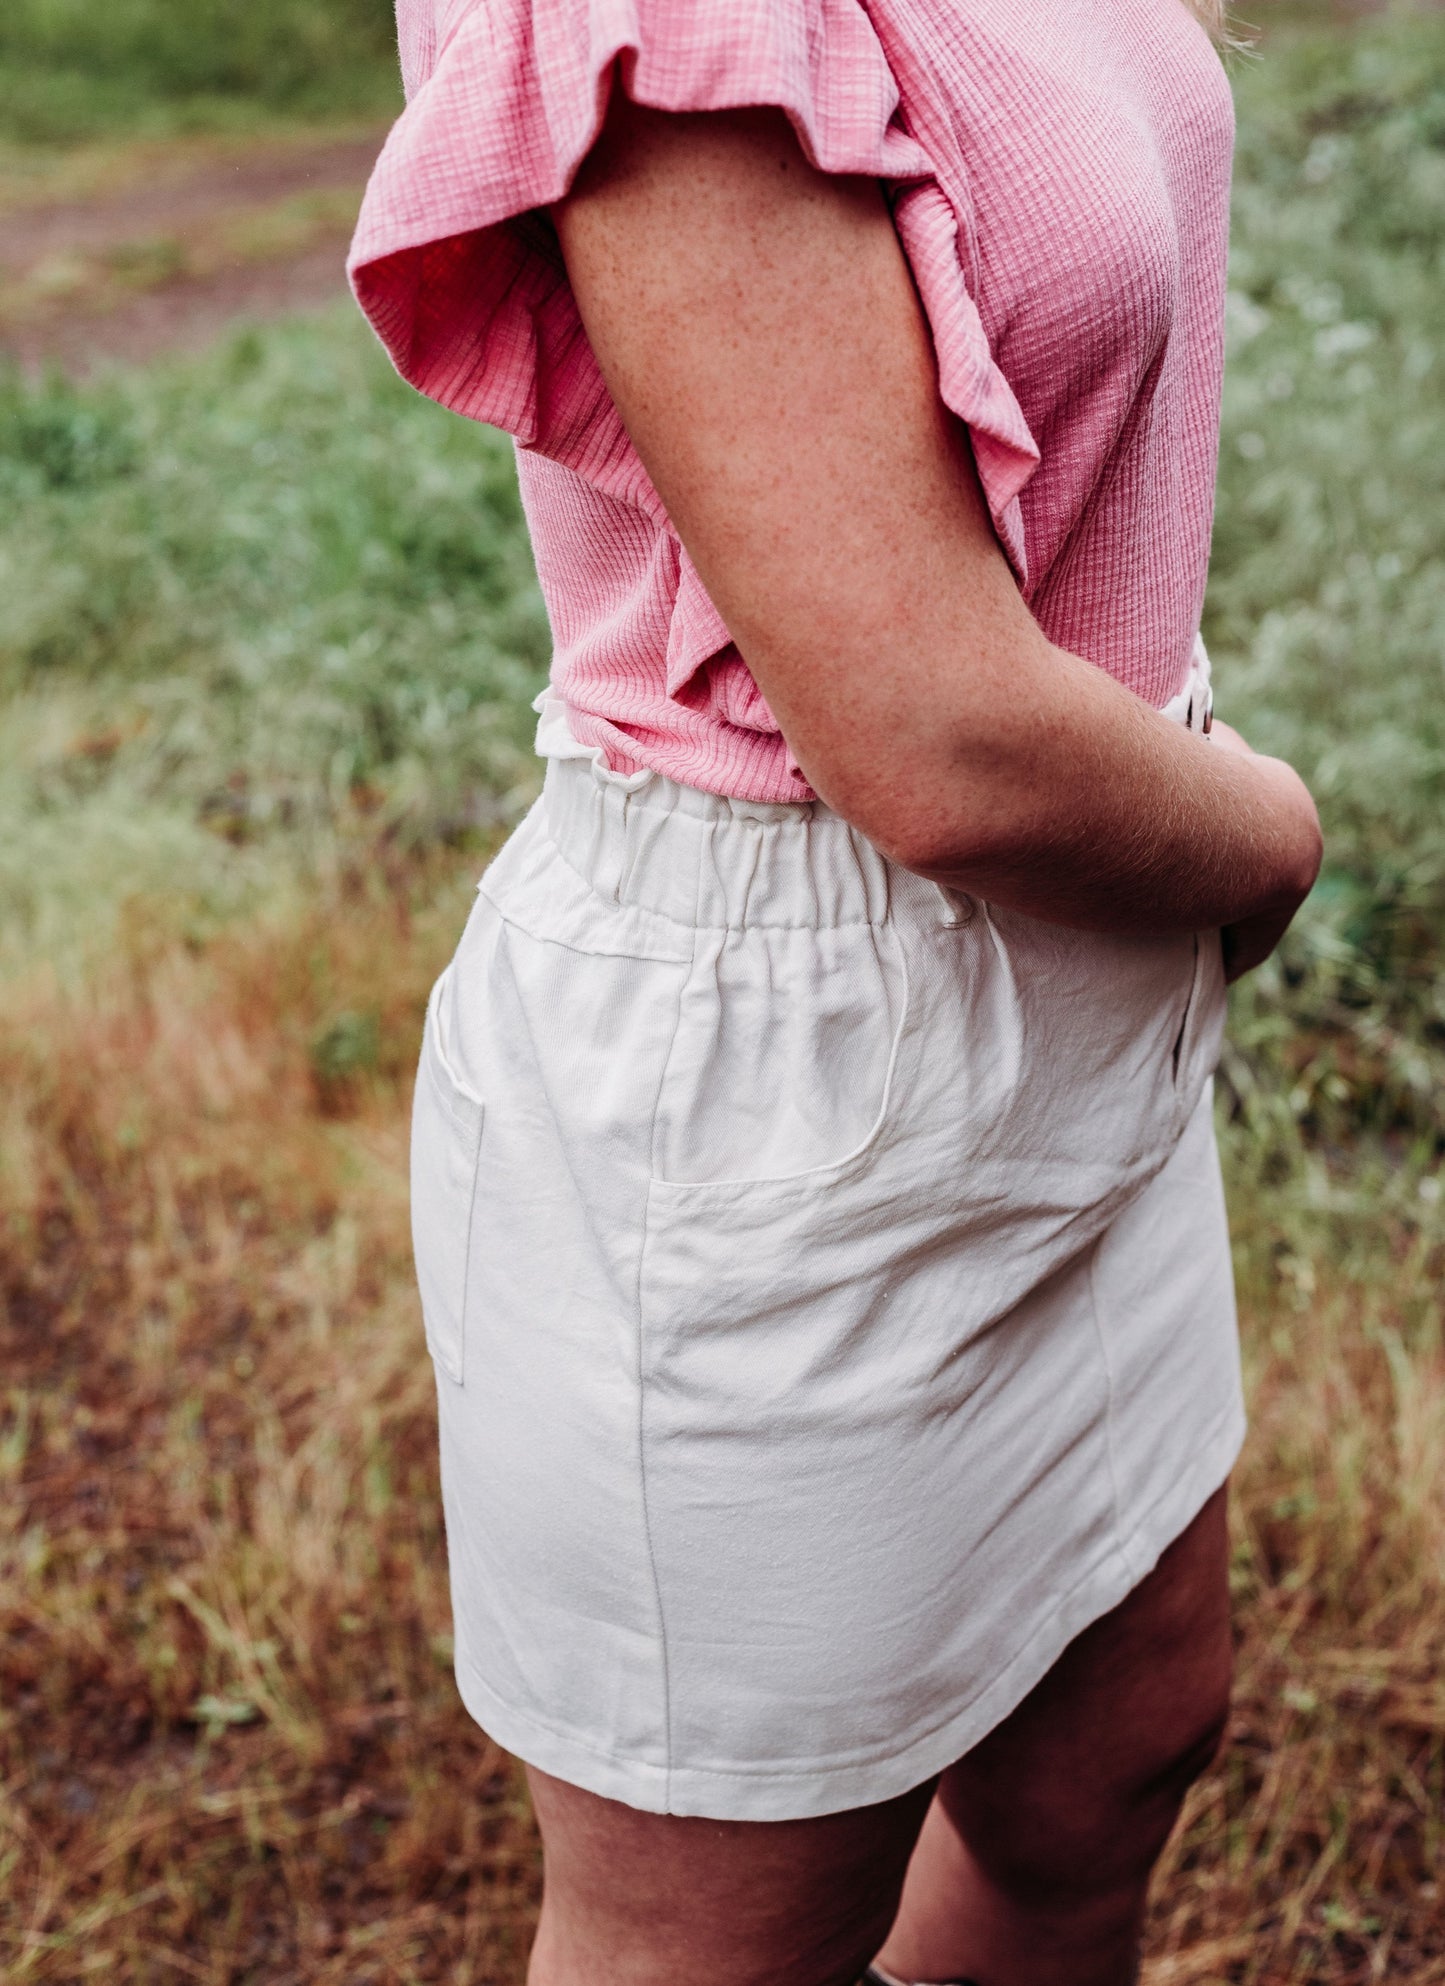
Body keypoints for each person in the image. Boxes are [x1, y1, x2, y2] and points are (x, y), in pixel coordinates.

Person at [349, 1, 1322, 1980]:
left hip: (1091, 920)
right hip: (789, 1084)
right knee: (713, 1942)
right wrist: (1275, 842)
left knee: (1111, 1763)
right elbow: (937, 743)